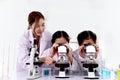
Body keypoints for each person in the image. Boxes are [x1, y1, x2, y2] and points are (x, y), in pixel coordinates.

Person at [16, 11, 52, 78]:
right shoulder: (24, 37)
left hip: (42, 72)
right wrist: (41, 59)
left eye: (43, 25)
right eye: (37, 26)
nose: (41, 29)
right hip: (25, 72)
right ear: (30, 25)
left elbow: (50, 53)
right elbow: (24, 60)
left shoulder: (48, 35)